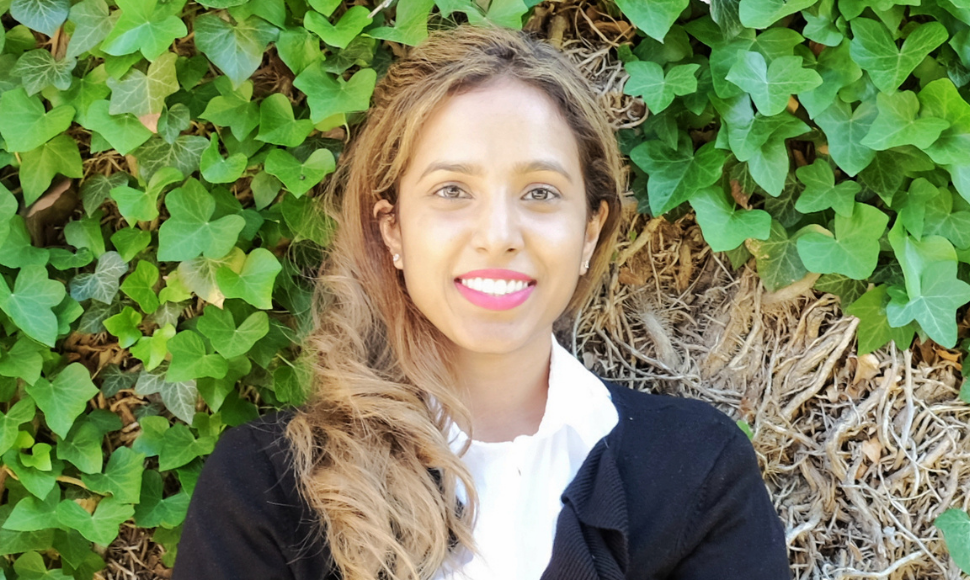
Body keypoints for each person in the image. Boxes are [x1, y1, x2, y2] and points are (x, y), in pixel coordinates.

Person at [172, 23, 792, 580]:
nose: (498, 234)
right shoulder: (266, 487)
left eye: (541, 193)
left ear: (590, 232)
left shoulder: (698, 474)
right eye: (451, 190)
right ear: (394, 231)